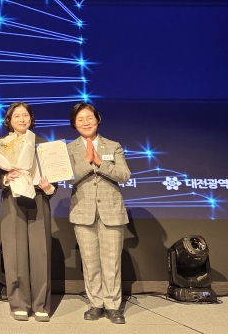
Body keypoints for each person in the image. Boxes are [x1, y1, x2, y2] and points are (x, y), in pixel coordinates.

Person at [66, 103, 131, 324]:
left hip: (111, 211)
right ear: (74, 124)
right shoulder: (69, 149)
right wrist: (87, 162)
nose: (86, 122)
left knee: (112, 261)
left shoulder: (113, 146)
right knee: (90, 261)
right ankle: (96, 303)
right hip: (83, 211)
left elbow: (124, 175)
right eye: (80, 119)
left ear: (97, 119)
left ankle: (113, 306)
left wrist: (101, 162)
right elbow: (68, 177)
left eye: (89, 118)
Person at [0, 102, 54, 322]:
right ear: (9, 120)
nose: (22, 119)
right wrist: (5, 178)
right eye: (17, 116)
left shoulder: (43, 144)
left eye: (25, 115)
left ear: (31, 119)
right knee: (15, 252)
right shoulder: (0, 144)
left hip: (38, 198)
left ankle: (41, 304)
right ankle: (19, 303)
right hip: (12, 198)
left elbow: (55, 174)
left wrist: (49, 187)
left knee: (41, 252)